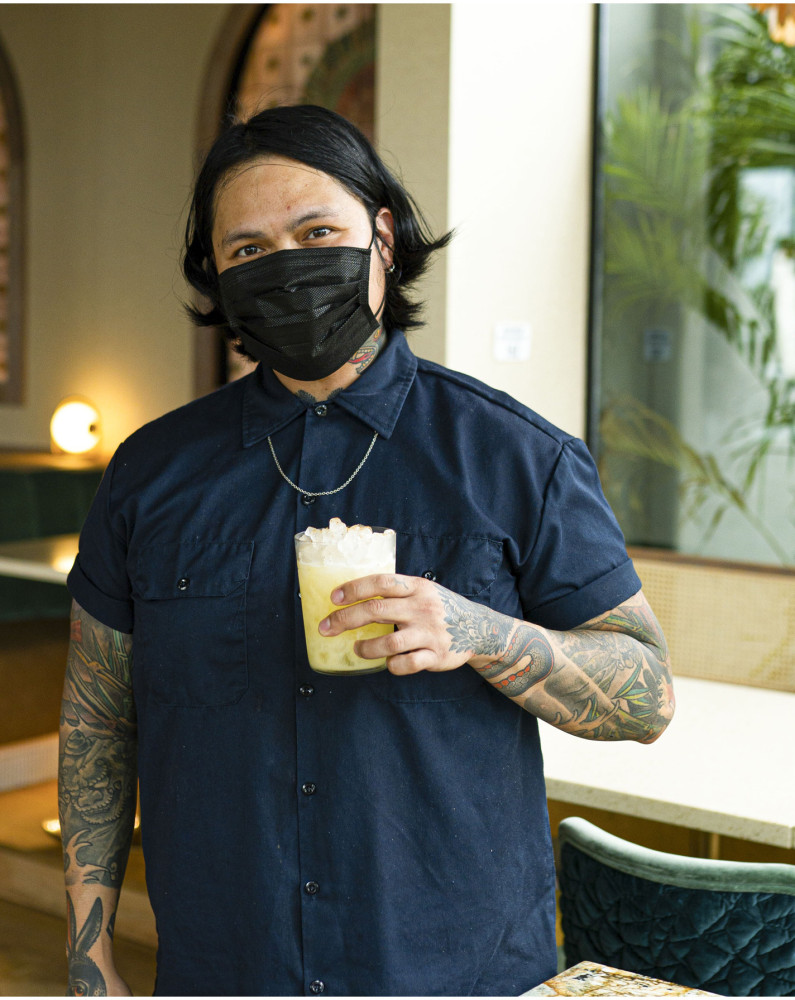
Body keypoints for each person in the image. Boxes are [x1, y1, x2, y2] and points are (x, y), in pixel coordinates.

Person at [59, 104, 674, 997]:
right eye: (248, 249)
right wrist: (89, 956)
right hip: (224, 965)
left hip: (457, 970)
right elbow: (96, 723)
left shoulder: (516, 457)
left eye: (317, 233)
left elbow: (646, 696)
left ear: (383, 238)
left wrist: (480, 632)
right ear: (218, 278)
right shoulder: (150, 473)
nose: (286, 266)